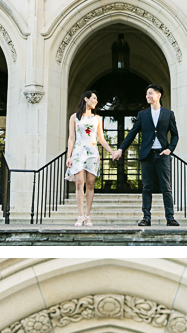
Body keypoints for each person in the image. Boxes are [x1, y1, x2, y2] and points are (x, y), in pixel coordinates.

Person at [112, 85, 180, 226]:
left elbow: (175, 135)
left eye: (150, 93)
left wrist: (170, 149)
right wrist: (121, 149)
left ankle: (170, 218)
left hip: (162, 155)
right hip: (147, 156)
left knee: (166, 187)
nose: (147, 96)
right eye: (146, 94)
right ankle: (146, 218)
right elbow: (132, 133)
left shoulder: (168, 114)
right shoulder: (142, 115)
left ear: (158, 95)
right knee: (147, 187)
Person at [65, 90, 116, 228]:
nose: (96, 101)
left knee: (90, 185)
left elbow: (101, 138)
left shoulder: (97, 118)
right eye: (94, 98)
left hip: (92, 153)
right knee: (79, 184)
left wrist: (112, 151)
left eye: (96, 99)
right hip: (78, 153)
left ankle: (88, 216)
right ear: (86, 99)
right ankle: (80, 215)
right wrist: (68, 156)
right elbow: (71, 138)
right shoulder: (74, 117)